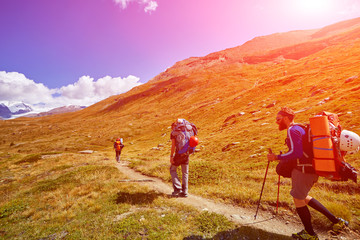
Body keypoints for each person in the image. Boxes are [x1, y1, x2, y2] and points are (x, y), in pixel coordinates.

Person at [267, 107, 348, 240]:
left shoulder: (293, 130)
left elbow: (296, 153)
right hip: (311, 169)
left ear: (286, 118)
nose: (276, 122)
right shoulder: (300, 128)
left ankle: (310, 234)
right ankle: (336, 221)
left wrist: (276, 157)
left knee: (298, 199)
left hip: (303, 170)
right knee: (304, 197)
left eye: (278, 119)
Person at [170, 119, 197, 198]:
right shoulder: (188, 130)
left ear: (174, 126)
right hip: (187, 154)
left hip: (179, 155)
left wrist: (171, 156)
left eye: (172, 127)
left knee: (172, 169)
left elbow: (173, 146)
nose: (172, 129)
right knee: (185, 173)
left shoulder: (174, 132)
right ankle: (185, 192)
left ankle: (177, 188)